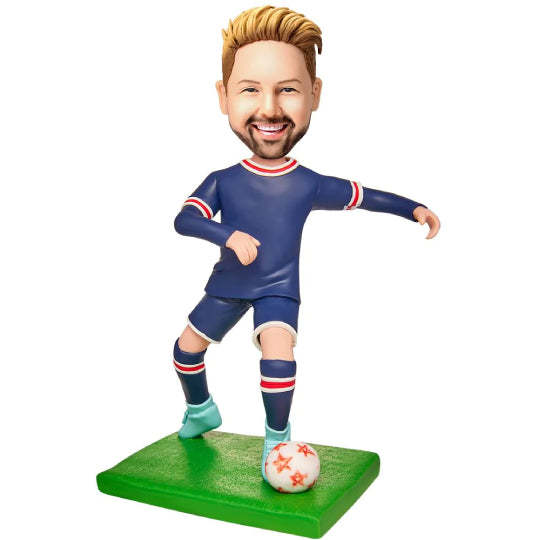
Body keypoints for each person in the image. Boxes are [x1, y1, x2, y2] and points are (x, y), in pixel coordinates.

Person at [172, 5, 440, 482]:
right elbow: (185, 219)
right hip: (228, 285)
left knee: (278, 353)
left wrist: (412, 207)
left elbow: (365, 197)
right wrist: (227, 234)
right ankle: (201, 410)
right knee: (185, 352)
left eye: (287, 89)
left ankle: (277, 437)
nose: (270, 108)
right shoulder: (223, 180)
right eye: (250, 89)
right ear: (223, 96)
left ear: (314, 94)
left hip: (278, 287)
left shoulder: (307, 182)